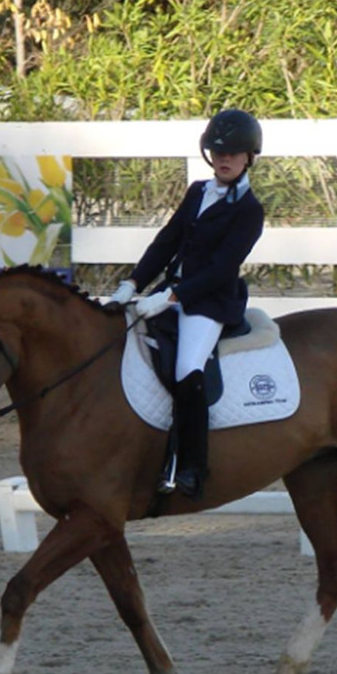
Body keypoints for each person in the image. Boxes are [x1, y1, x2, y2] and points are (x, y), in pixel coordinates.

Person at [110, 109, 265, 500]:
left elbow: (222, 269)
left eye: (233, 152)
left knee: (187, 368)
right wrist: (132, 283)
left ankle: (193, 466)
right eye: (218, 151)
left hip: (209, 302)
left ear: (249, 157)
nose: (224, 158)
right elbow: (166, 241)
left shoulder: (249, 210)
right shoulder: (197, 191)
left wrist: (171, 297)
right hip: (170, 291)